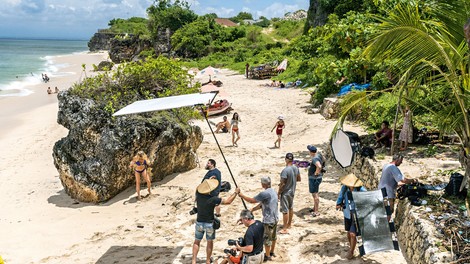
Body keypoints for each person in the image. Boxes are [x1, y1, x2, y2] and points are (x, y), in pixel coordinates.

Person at [192, 179, 240, 264]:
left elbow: (197, 189)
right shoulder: (213, 199)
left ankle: (194, 261)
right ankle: (207, 260)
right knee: (209, 242)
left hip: (199, 222)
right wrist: (236, 192)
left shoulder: (198, 195)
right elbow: (228, 201)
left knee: (197, 241)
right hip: (209, 223)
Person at [238, 177, 279, 261]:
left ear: (263, 184)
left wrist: (241, 195)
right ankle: (272, 252)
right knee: (273, 237)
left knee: (267, 239)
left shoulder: (264, 193)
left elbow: (252, 200)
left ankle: (267, 256)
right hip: (275, 218)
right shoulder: (273, 191)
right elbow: (263, 204)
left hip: (268, 220)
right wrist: (253, 209)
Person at [336, 173, 367, 259]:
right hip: (347, 213)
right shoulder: (345, 188)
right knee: (349, 233)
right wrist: (338, 204)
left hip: (357, 215)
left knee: (353, 234)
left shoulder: (361, 190)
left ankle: (351, 252)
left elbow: (367, 199)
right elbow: (340, 196)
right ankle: (351, 247)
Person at [278, 153, 300, 234]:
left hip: (286, 192)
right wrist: (292, 180)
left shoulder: (285, 170)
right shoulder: (296, 168)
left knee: (285, 210)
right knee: (290, 207)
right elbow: (299, 179)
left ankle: (284, 228)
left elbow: (282, 184)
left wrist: (278, 193)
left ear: (286, 159)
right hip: (292, 190)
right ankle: (289, 224)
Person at [307, 145, 324, 217]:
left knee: (315, 194)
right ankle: (314, 208)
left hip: (314, 178)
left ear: (310, 152)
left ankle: (316, 211)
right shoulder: (319, 155)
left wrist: (316, 173)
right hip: (318, 177)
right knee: (315, 193)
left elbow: (319, 166)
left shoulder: (314, 159)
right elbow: (323, 160)